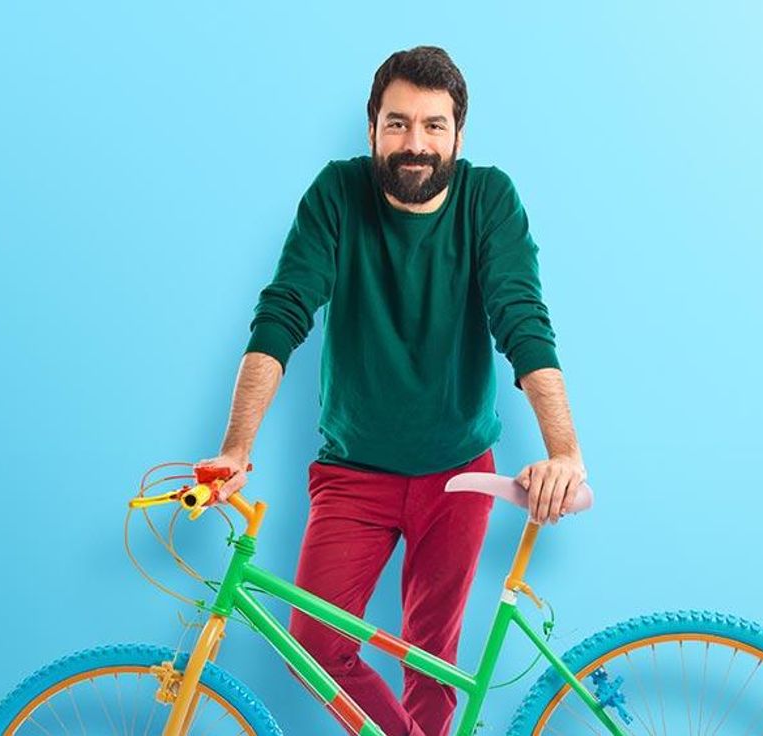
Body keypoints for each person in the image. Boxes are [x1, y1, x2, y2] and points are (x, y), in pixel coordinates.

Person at [196, 45, 586, 736]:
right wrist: (235, 448)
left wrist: (566, 452)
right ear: (372, 128)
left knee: (433, 663)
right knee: (312, 644)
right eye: (398, 123)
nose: (416, 144)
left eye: (434, 126)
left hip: (458, 472)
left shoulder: (487, 199)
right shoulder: (336, 194)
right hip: (353, 472)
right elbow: (285, 310)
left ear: (458, 136)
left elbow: (520, 319)